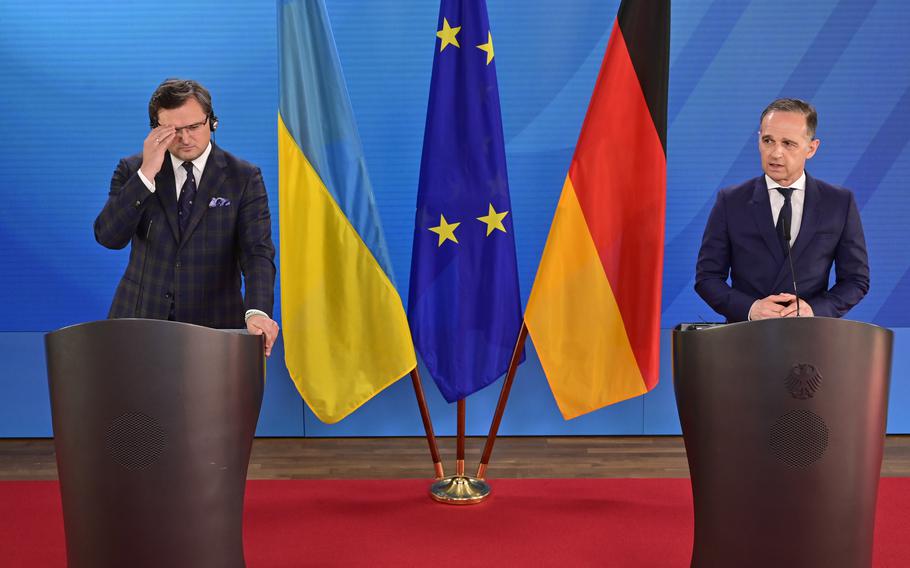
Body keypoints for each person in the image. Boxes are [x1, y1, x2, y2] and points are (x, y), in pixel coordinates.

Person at [95, 78, 280, 355]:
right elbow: (108, 237)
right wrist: (146, 175)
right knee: (132, 401)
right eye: (173, 130)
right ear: (155, 130)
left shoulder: (244, 177)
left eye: (194, 126)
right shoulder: (133, 170)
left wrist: (257, 312)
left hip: (216, 328)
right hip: (139, 322)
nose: (185, 138)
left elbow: (257, 253)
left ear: (212, 122)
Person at [695, 98, 869, 323]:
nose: (775, 153)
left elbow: (856, 280)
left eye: (788, 143)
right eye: (768, 140)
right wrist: (750, 308)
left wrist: (814, 310)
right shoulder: (731, 201)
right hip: (746, 338)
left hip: (810, 337)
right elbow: (707, 278)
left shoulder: (839, 203)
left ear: (811, 148)